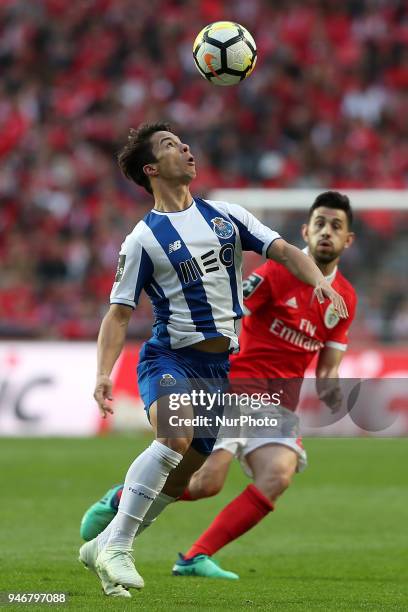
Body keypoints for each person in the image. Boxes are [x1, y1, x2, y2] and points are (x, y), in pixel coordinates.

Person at [78, 122, 348, 598]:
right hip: (170, 358)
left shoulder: (226, 215)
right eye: (168, 145)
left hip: (218, 371)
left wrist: (322, 284)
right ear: (151, 169)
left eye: (181, 141)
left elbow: (284, 250)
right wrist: (103, 372)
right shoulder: (142, 239)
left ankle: (104, 540)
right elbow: (118, 314)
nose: (184, 147)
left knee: (185, 481)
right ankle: (118, 546)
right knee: (174, 438)